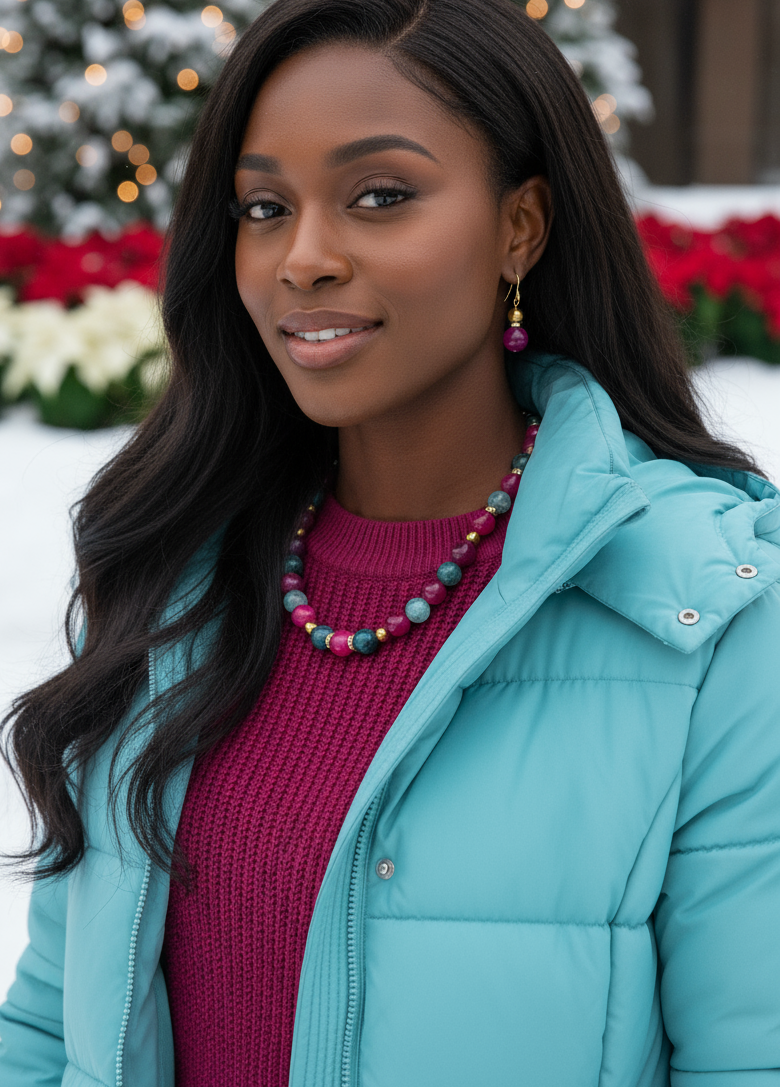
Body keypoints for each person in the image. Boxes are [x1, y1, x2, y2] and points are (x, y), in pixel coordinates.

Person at [1, 0, 778, 1084]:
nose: (302, 257)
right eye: (264, 206)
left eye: (380, 195)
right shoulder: (174, 573)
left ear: (522, 226)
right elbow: (46, 1036)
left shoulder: (704, 618)